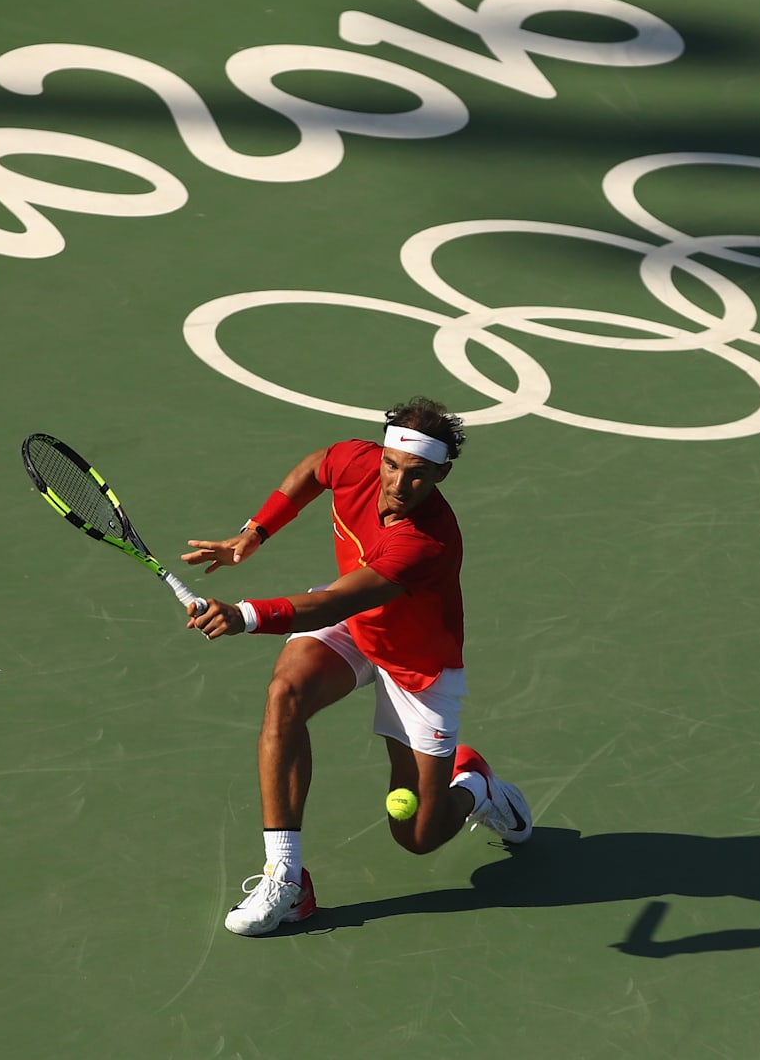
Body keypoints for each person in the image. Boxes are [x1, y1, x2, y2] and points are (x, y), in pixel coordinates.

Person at [181, 396, 532, 937]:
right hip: (356, 625)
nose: (397, 483)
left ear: (442, 473)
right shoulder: (358, 460)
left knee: (417, 834)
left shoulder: (427, 541)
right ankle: (287, 879)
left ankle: (478, 786)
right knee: (285, 695)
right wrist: (255, 532)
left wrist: (245, 613)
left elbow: (335, 602)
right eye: (392, 465)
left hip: (416, 667)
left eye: (417, 474)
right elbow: (315, 466)